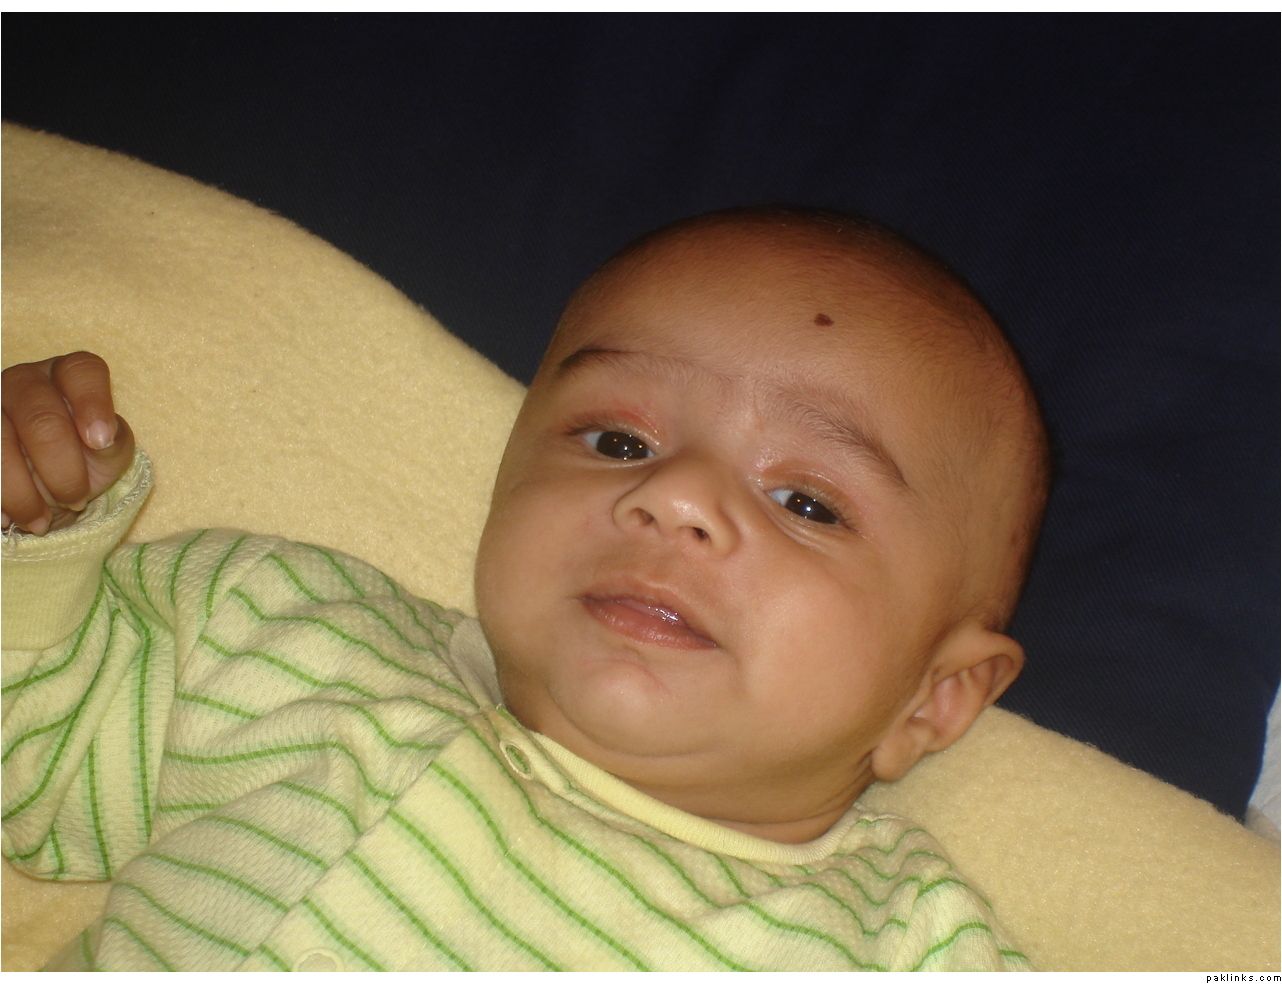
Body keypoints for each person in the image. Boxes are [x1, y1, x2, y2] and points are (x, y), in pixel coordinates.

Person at [1, 207, 1048, 971]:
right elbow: (34, 743)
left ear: (935, 696)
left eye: (806, 503)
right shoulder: (282, 634)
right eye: (618, 441)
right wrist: (24, 521)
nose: (675, 496)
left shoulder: (899, 943)